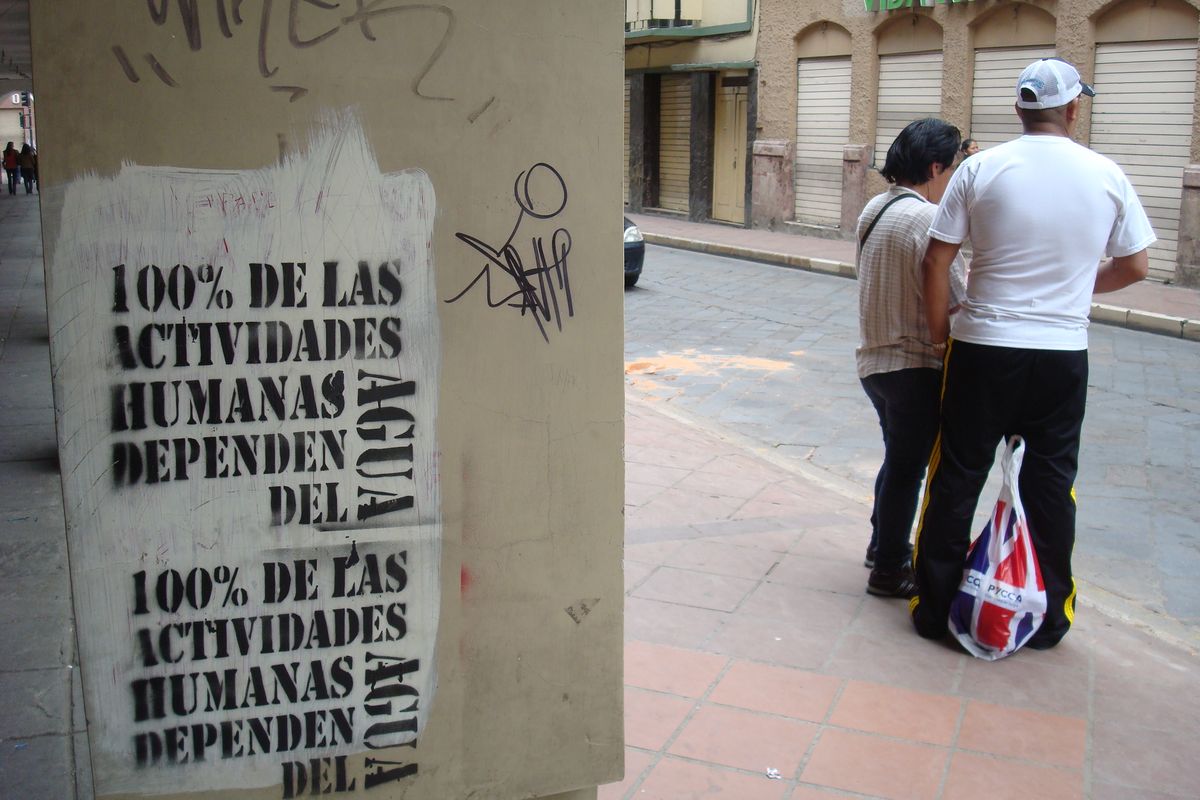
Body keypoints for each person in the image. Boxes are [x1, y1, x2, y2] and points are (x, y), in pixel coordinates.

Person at [914, 58, 1155, 648]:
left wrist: (940, 334)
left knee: (957, 477)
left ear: (1019, 109)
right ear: (1074, 109)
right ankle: (1049, 617)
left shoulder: (981, 168)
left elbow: (936, 259)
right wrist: (1073, 287)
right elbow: (1135, 266)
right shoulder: (1106, 174)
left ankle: (934, 607)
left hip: (984, 351)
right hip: (1060, 357)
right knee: (1051, 484)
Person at [855, 118, 967, 598]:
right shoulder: (926, 220)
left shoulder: (875, 207)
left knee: (898, 457)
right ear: (936, 166)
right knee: (907, 466)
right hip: (913, 365)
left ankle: (882, 543)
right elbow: (958, 297)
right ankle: (890, 567)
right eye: (954, 169)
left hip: (875, 362)